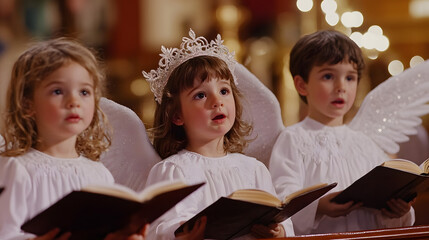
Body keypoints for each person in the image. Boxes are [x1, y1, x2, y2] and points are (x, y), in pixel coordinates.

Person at [142, 29, 294, 240]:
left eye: (224, 91)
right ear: (176, 115)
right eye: (201, 95)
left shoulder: (254, 169)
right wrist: (181, 232)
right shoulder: (173, 171)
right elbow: (155, 229)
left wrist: (278, 231)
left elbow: (279, 216)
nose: (217, 101)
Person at [269, 30, 421, 235]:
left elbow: (385, 202)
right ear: (302, 85)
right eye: (328, 76)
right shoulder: (293, 139)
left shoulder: (365, 143)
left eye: (350, 77)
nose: (341, 87)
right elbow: (282, 199)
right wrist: (319, 207)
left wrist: (397, 211)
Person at [0, 38, 147, 240]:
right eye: (58, 91)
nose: (74, 101)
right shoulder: (17, 169)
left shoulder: (99, 174)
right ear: (27, 105)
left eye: (84, 92)